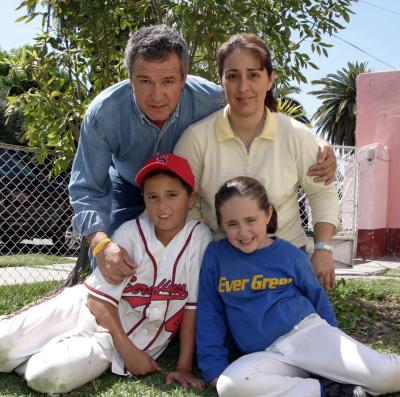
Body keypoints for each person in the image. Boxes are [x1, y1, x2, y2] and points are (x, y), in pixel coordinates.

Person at [68, 25, 336, 285]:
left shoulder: (212, 98)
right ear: (130, 78)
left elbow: (256, 110)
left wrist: (318, 143)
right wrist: (101, 243)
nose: (157, 95)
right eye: (145, 81)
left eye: (169, 81)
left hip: (188, 194)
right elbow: (86, 188)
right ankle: (106, 317)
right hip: (129, 185)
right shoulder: (104, 114)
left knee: (179, 271)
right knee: (115, 259)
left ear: (184, 78)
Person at [0, 154, 211, 394]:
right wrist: (130, 354)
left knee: (45, 377)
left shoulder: (199, 238)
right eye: (153, 197)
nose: (162, 206)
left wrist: (184, 366)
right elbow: (97, 301)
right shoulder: (130, 232)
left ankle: (29, 355)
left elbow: (191, 307)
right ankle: (20, 348)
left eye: (172, 195)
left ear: (192, 198)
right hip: (82, 308)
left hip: (107, 342)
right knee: (2, 344)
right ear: (143, 198)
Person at [196, 176, 400, 397]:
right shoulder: (216, 257)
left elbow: (317, 299)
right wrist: (213, 368)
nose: (243, 232)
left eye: (251, 220)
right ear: (221, 224)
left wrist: (335, 349)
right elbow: (210, 314)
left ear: (268, 214)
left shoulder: (289, 254)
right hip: (267, 355)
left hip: (309, 337)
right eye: (232, 224)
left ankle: (345, 377)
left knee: (387, 375)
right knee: (230, 385)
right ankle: (332, 391)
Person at [174, 33, 339, 290]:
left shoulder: (295, 135)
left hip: (286, 261)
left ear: (270, 80)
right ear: (221, 81)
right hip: (220, 264)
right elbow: (183, 202)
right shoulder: (196, 139)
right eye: (233, 76)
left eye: (253, 75)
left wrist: (323, 248)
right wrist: (208, 251)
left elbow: (321, 193)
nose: (243, 87)